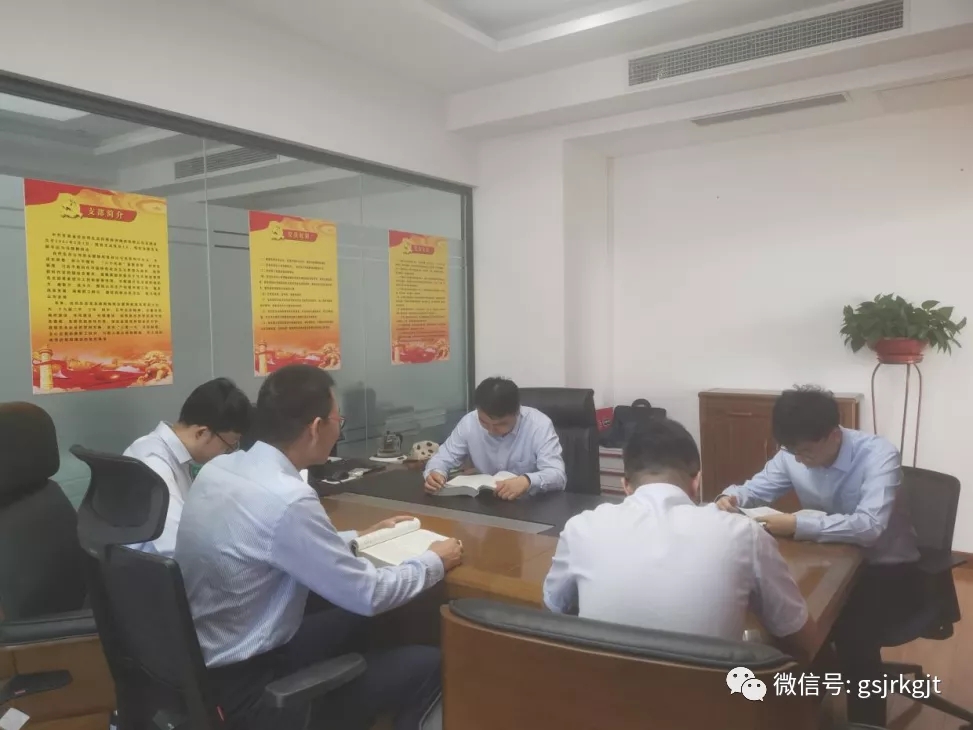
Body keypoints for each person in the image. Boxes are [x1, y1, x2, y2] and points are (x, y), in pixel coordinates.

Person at [175, 364, 463, 730]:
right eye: (337, 419)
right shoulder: (288, 498)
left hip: (208, 670)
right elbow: (369, 593)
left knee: (359, 621)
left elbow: (267, 543)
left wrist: (358, 539)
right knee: (430, 663)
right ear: (315, 427)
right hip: (254, 694)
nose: (339, 427)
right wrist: (434, 560)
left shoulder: (221, 469)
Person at [715, 385, 920, 726]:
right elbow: (753, 489)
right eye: (791, 451)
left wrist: (797, 524)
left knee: (853, 635)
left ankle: (867, 722)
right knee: (786, 617)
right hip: (830, 560)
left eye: (806, 452)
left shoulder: (878, 454)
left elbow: (869, 527)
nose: (798, 460)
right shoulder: (793, 453)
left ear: (833, 435)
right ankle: (799, 713)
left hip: (885, 567)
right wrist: (730, 498)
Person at [543, 417, 817, 664]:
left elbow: (553, 609)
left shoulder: (581, 527)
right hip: (711, 699)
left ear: (625, 485)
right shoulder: (744, 534)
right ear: (697, 482)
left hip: (600, 698)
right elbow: (799, 633)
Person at [124, 377, 251, 558]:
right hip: (145, 567)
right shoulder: (152, 461)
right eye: (229, 446)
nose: (227, 453)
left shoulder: (177, 457)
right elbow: (175, 545)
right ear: (202, 433)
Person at [423, 377, 566, 500]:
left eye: (500, 424)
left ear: (517, 412)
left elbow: (557, 475)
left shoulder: (539, 425)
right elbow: (442, 458)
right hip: (487, 503)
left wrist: (527, 481)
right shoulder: (469, 422)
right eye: (484, 422)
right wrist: (436, 473)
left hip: (531, 506)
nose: (491, 431)